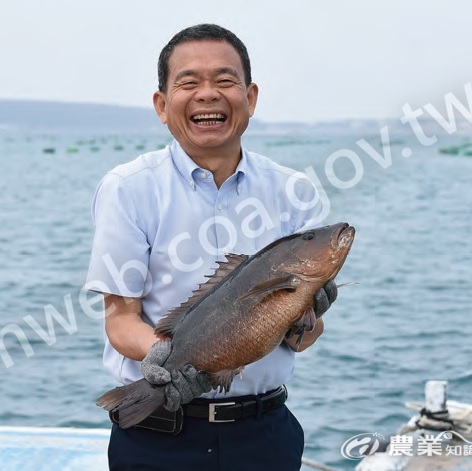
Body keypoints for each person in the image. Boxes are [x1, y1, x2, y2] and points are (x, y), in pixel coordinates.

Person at [85, 23, 337, 471]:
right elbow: (120, 320)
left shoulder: (295, 191)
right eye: (189, 82)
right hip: (157, 436)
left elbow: (303, 340)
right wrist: (163, 357)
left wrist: (305, 317)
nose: (208, 94)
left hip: (265, 434)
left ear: (251, 97)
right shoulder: (128, 189)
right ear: (162, 105)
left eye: (224, 81)